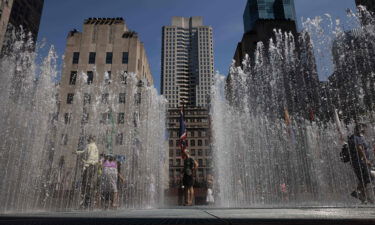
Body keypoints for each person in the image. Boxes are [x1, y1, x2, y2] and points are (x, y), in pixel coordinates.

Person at [349, 124, 374, 204]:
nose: (365, 131)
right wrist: (366, 160)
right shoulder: (357, 137)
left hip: (359, 162)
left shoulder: (356, 137)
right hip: (360, 162)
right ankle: (358, 193)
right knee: (367, 178)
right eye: (364, 129)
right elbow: (359, 148)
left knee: (364, 179)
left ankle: (364, 197)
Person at [75, 135, 100, 209]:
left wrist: (86, 165)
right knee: (86, 182)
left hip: (90, 165)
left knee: (86, 182)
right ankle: (87, 200)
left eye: (89, 139)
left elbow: (91, 157)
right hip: (92, 165)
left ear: (91, 139)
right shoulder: (90, 145)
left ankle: (87, 200)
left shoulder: (92, 146)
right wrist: (76, 152)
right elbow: (84, 152)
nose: (87, 140)